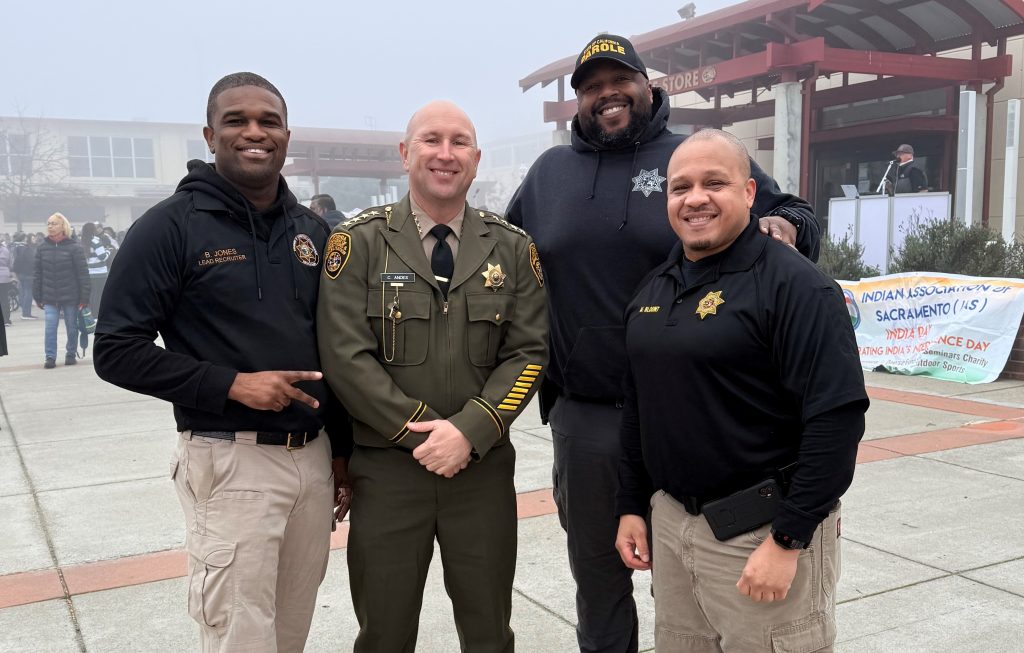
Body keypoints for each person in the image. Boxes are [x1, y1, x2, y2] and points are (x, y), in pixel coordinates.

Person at [504, 33, 820, 653]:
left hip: (694, 412)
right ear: (579, 103)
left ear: (649, 88)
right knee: (600, 579)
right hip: (588, 416)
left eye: (618, 81)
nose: (606, 95)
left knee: (695, 583)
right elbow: (499, 263)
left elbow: (794, 213)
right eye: (591, 87)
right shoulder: (548, 174)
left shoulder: (693, 160)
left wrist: (783, 226)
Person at [93, 72, 352, 653]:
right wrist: (230, 385)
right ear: (210, 135)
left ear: (288, 135)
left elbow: (331, 352)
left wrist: (340, 452)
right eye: (237, 121)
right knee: (238, 636)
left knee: (290, 632)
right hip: (230, 462)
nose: (254, 132)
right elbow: (114, 349)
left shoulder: (312, 233)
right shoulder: (169, 227)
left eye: (269, 121)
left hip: (310, 464)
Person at [615, 129, 868, 652]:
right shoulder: (654, 289)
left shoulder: (798, 288)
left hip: (762, 534)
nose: (695, 198)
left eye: (715, 182)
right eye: (680, 187)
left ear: (750, 193)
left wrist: (788, 538)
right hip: (673, 527)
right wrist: (632, 506)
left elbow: (836, 420)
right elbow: (641, 408)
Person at [317, 100, 548, 653]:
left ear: (475, 158)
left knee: (489, 629)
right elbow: (345, 356)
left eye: (460, 142)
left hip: (481, 472)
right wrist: (422, 433)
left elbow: (529, 353)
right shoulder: (359, 244)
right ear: (405, 152)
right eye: (431, 140)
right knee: (385, 632)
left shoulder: (513, 249)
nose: (446, 154)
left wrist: (470, 431)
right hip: (389, 472)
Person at [33, 213, 89, 369]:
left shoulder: (74, 248)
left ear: (63, 226)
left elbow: (83, 274)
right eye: (48, 223)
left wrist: (84, 298)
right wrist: (37, 296)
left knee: (72, 327)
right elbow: (37, 274)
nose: (50, 226)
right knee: (50, 327)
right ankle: (50, 357)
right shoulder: (42, 248)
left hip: (71, 297)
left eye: (54, 223)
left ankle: (70, 354)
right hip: (49, 297)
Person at [79, 222, 114, 317]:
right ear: (92, 230)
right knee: (99, 294)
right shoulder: (96, 241)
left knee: (92, 294)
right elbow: (102, 256)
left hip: (89, 272)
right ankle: (96, 314)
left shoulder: (82, 241)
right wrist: (108, 251)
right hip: (99, 273)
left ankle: (91, 314)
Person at [11, 232, 38, 320]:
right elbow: (32, 261)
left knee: (23, 292)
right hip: (28, 273)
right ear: (24, 239)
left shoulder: (16, 248)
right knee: (28, 293)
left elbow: (16, 261)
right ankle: (26, 313)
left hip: (21, 273)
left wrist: (16, 272)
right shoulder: (26, 249)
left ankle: (24, 311)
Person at [0, 238, 12, 326]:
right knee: (4, 298)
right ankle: (6, 319)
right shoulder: (5, 250)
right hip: (5, 277)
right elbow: (10, 263)